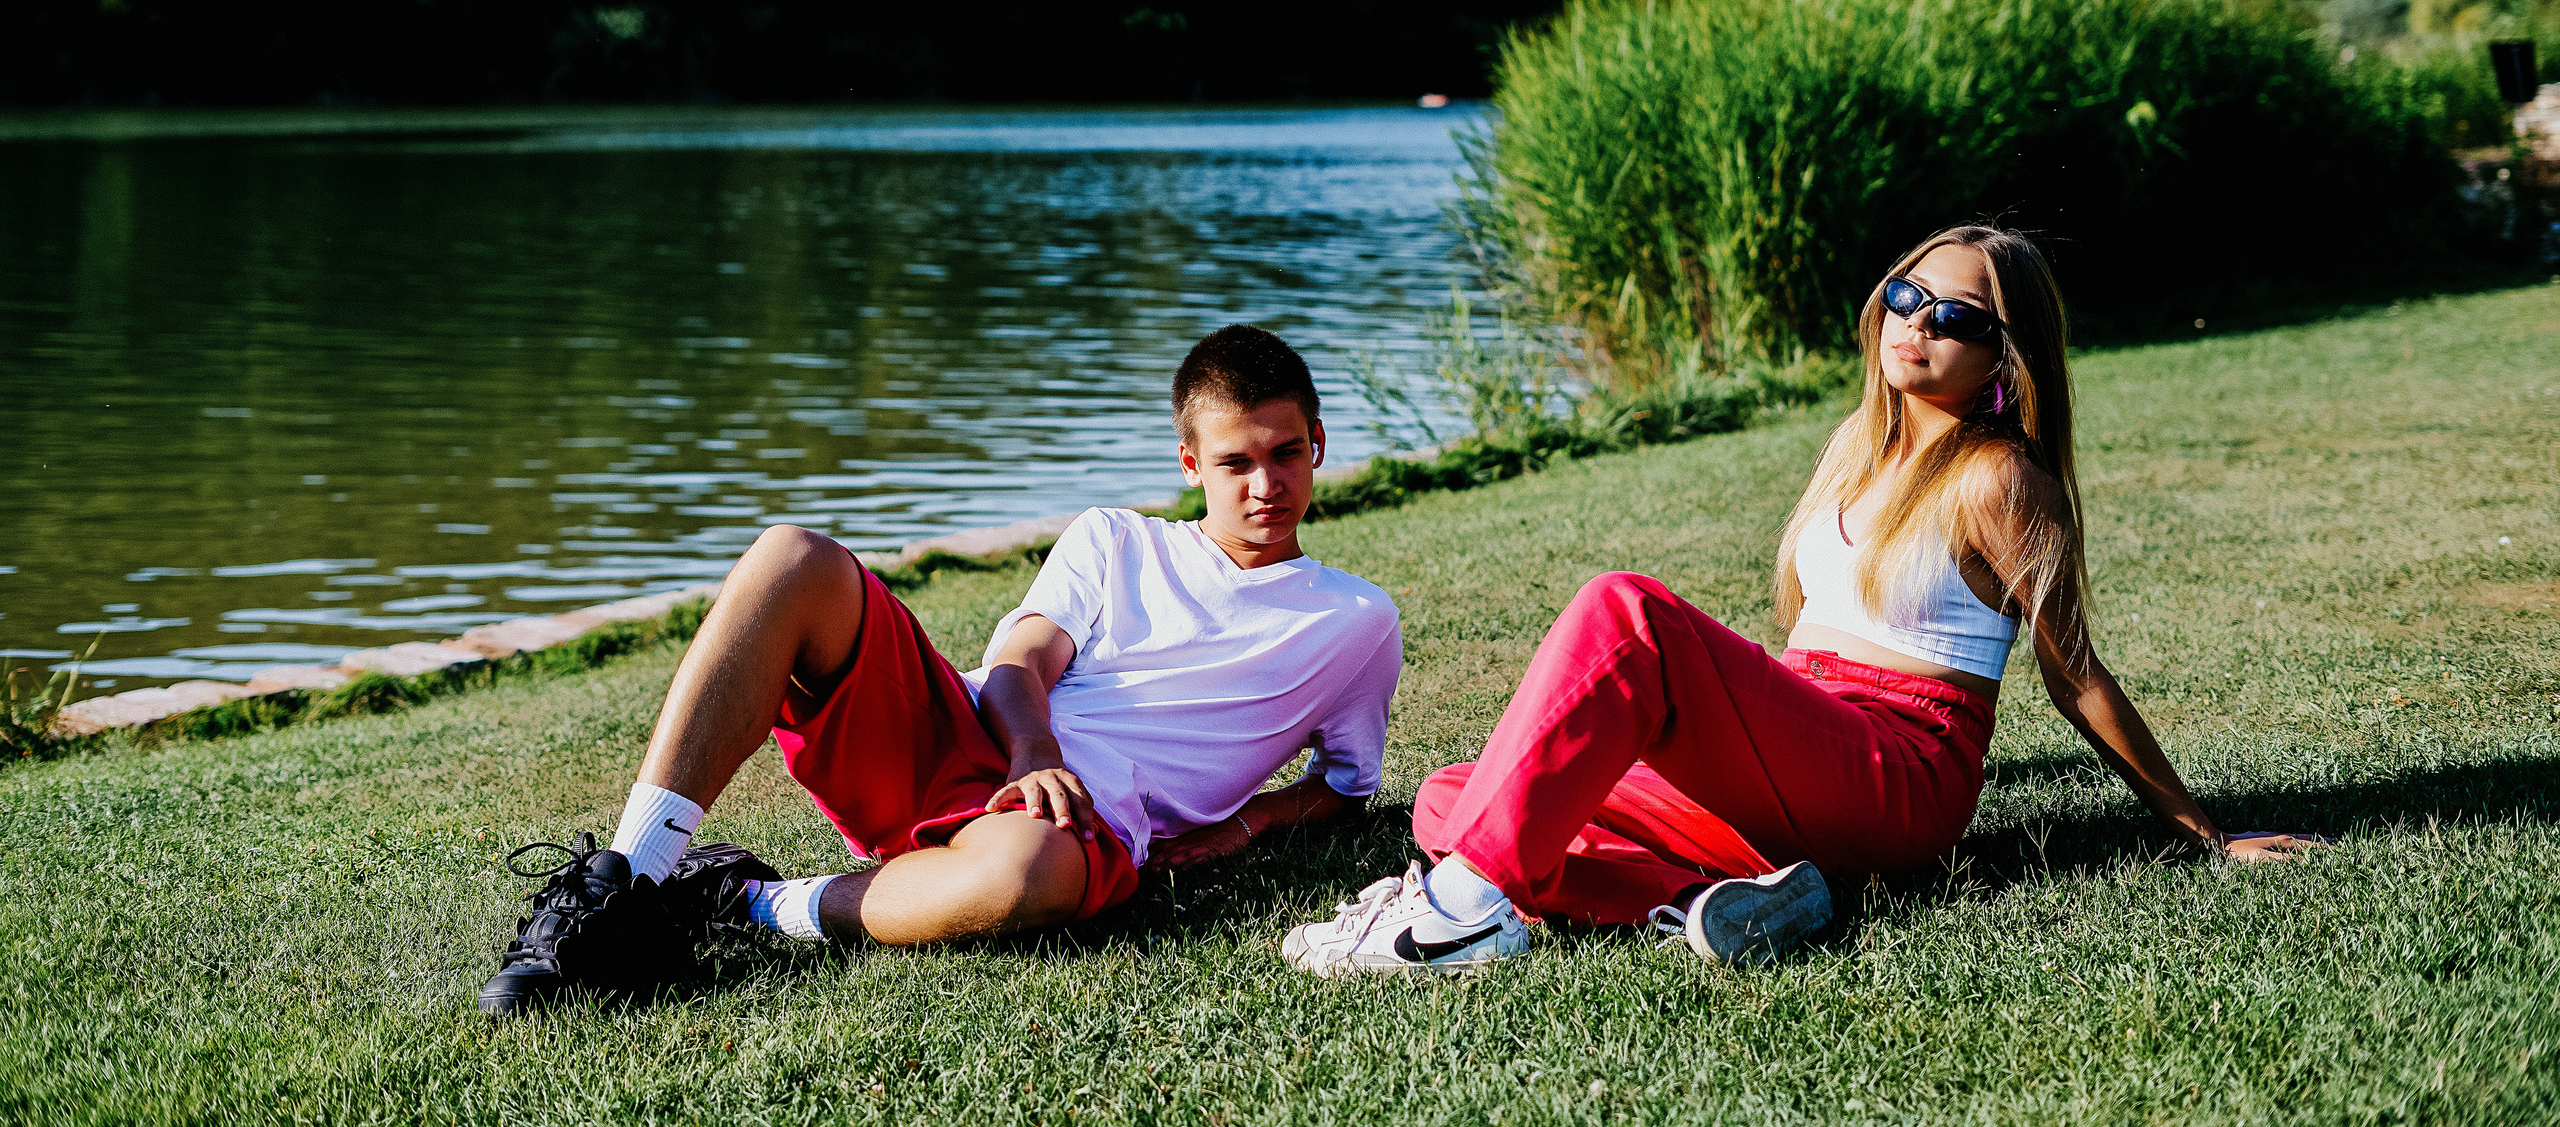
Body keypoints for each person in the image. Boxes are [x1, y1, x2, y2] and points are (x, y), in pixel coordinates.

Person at [1282, 224, 2323, 977]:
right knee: (1459, 796)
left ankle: (1459, 919)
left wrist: (2202, 831)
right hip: (1807, 752)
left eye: (1956, 317)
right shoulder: (1852, 450)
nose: (1917, 324)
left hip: (1898, 766)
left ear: (2004, 357)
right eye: (1907, 296)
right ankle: (1716, 904)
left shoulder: (1999, 479)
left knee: (1625, 614)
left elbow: (2075, 672)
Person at [481, 324, 1400, 1017]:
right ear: (1192, 462)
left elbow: (1347, 786)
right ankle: (621, 890)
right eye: (1236, 461)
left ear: (1317, 442)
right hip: (972, 735)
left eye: (1285, 453)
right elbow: (1018, 662)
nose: (1264, 484)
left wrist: (1254, 821)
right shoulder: (1115, 538)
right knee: (791, 556)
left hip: (1078, 826)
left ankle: (743, 901)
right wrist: (1032, 753)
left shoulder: (1356, 620)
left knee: (1026, 875)